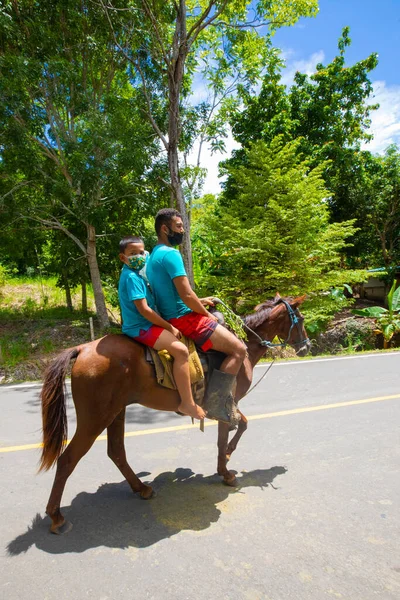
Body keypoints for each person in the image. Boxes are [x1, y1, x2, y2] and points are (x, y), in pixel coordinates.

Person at [146, 209, 246, 423]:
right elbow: (185, 293)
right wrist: (205, 314)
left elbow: (172, 294)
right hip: (184, 318)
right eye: (179, 226)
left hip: (171, 315)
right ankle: (218, 404)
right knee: (239, 349)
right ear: (165, 228)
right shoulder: (171, 254)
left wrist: (200, 301)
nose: (182, 231)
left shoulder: (154, 255)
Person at [118, 235, 206, 420]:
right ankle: (187, 403)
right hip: (141, 327)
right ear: (123, 257)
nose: (139, 256)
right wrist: (169, 327)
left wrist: (199, 302)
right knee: (180, 351)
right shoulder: (132, 277)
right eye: (132, 253)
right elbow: (144, 310)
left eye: (141, 252)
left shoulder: (139, 270)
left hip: (145, 323)